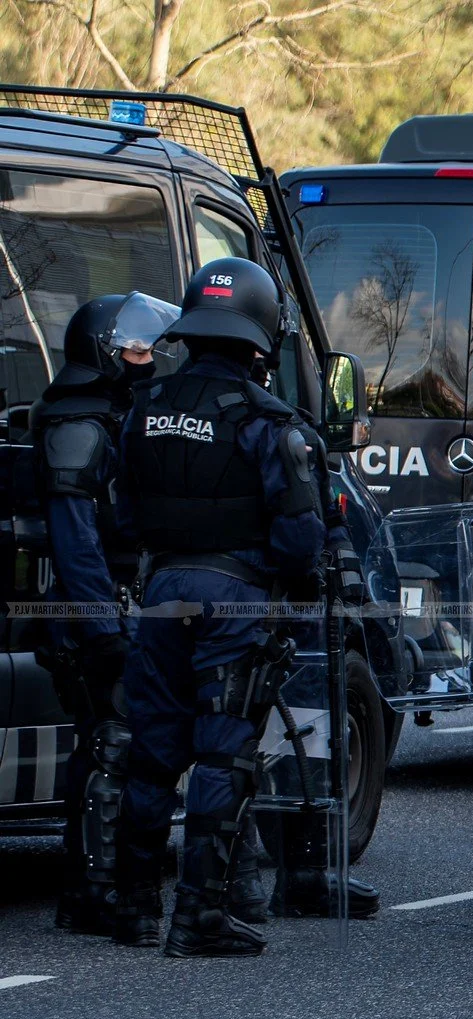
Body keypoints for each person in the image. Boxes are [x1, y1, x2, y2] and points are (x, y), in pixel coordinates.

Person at [114, 258, 336, 955]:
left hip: (161, 591)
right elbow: (301, 535)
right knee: (221, 756)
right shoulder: (269, 421)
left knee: (151, 753)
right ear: (260, 336)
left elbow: (118, 515)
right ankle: (197, 916)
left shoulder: (144, 409)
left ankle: (134, 908)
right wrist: (299, 588)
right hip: (234, 597)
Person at [34, 294, 169, 933]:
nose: (148, 361)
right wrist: (101, 629)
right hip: (92, 612)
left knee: (125, 745)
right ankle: (92, 892)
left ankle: (103, 886)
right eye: (137, 350)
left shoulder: (110, 415)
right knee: (109, 746)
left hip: (120, 604)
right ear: (104, 354)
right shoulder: (78, 424)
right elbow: (76, 540)